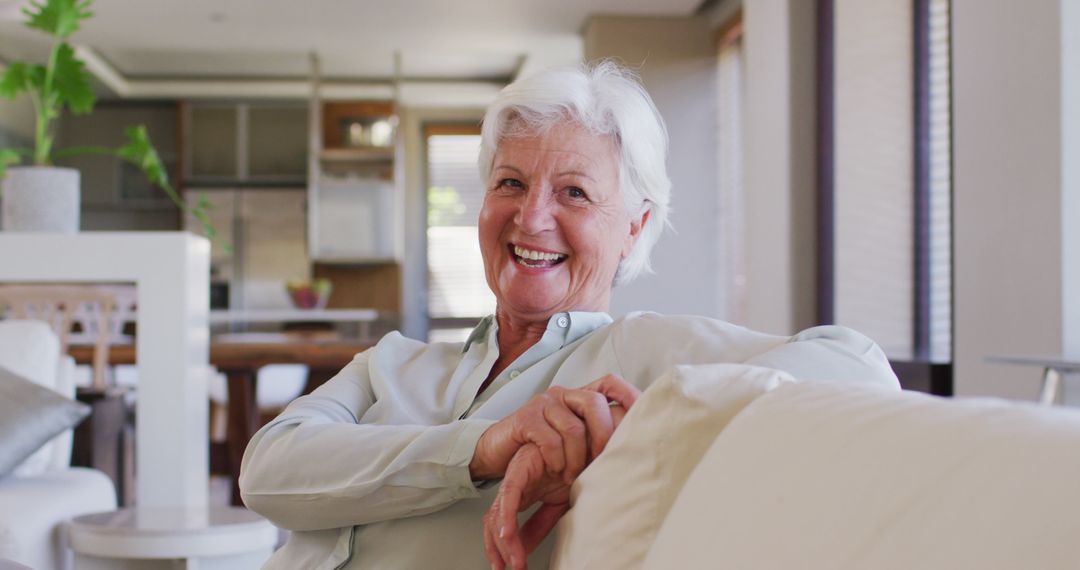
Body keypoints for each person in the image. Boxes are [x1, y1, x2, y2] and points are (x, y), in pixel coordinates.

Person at [239, 61, 899, 570]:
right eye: (510, 183)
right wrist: (490, 445)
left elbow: (860, 372)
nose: (531, 218)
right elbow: (266, 472)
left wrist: (642, 423)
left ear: (634, 230)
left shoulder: (640, 354)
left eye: (574, 192)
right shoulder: (393, 360)